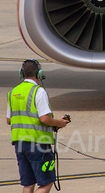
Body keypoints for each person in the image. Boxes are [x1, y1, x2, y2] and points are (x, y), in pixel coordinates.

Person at [7, 59, 69, 193]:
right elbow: (44, 118)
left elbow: (9, 120)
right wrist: (58, 123)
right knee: (47, 181)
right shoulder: (38, 92)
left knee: (28, 184)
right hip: (38, 143)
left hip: (20, 144)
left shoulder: (13, 92)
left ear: (21, 74)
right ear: (39, 74)